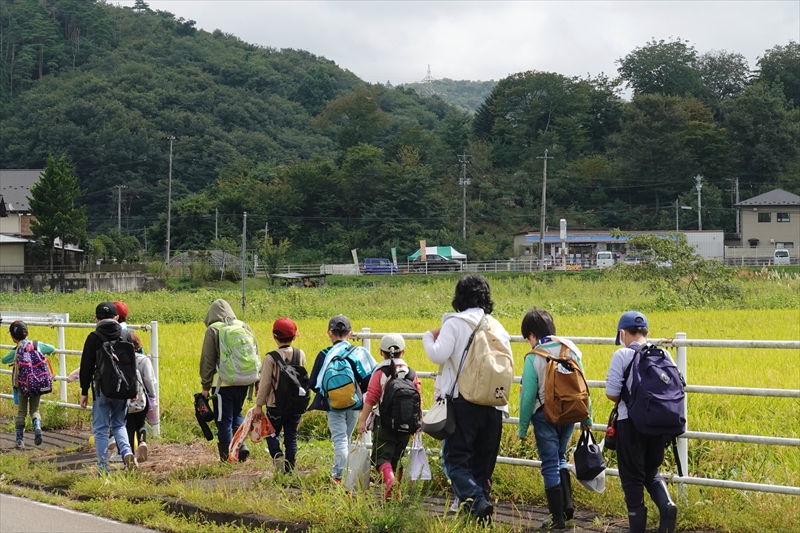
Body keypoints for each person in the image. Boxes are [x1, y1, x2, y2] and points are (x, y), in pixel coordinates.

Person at [422, 274, 511, 523]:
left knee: (456, 461)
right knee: (482, 466)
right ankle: (480, 520)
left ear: (459, 296)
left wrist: (427, 336)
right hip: (494, 405)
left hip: (464, 404)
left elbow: (437, 355)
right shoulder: (498, 326)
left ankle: (477, 501)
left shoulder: (455, 323)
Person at [517, 308, 593, 530]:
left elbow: (528, 396)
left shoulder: (534, 356)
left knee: (550, 463)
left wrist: (522, 428)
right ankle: (567, 508)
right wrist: (587, 418)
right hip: (570, 413)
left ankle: (556, 519)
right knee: (560, 457)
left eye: (527, 337)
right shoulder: (570, 350)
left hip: (545, 416)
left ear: (532, 334)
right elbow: (583, 386)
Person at [606, 311, 678, 533]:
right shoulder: (664, 355)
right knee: (651, 470)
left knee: (632, 477)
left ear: (622, 333)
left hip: (630, 423)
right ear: (646, 332)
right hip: (659, 423)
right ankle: (667, 506)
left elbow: (612, 393)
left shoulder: (622, 355)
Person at [308, 314, 378, 483]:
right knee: (345, 437)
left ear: (329, 333)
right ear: (350, 333)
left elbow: (313, 384)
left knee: (340, 439)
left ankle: (340, 475)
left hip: (332, 404)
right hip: (353, 403)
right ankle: (344, 473)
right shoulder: (358, 352)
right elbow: (370, 380)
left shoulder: (324, 354)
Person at [356, 333, 422, 500]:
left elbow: (371, 397)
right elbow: (419, 398)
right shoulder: (411, 373)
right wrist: (418, 421)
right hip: (406, 424)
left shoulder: (380, 372)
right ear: (403, 352)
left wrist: (362, 421)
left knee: (381, 458)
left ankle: (390, 482)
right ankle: (395, 493)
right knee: (397, 459)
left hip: (384, 424)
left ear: (381, 352)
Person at [199, 298, 259, 462]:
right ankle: (241, 446)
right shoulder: (243, 326)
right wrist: (257, 380)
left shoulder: (213, 330)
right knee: (236, 413)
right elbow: (255, 353)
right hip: (245, 381)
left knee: (223, 419)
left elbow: (208, 360)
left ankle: (227, 458)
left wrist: (205, 385)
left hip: (222, 384)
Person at [79, 301, 136, 473]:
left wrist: (84, 391)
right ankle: (127, 452)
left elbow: (86, 366)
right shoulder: (126, 335)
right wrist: (133, 389)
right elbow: (132, 366)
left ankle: (103, 467)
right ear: (116, 317)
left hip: (102, 389)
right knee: (119, 424)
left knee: (101, 429)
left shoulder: (94, 337)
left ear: (96, 319)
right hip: (123, 388)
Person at [253, 317, 306, 475]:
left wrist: (258, 405)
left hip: (275, 405)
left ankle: (277, 454)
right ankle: (289, 471)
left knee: (271, 433)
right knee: (291, 437)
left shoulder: (270, 358)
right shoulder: (300, 354)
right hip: (295, 404)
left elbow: (265, 384)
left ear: (274, 336)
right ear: (294, 336)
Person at [3, 321, 56, 448]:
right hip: (37, 383)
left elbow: (3, 360)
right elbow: (52, 348)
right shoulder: (37, 345)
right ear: (27, 333)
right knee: (35, 409)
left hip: (22, 385)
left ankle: (19, 440)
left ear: (12, 337)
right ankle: (37, 428)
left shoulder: (16, 350)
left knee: (22, 411)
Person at [126, 331, 157, 464]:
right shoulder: (144, 360)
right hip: (141, 399)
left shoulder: (121, 359)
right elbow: (149, 380)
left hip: (126, 400)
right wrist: (152, 395)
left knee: (129, 427)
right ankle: (142, 442)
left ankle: (131, 455)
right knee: (141, 423)